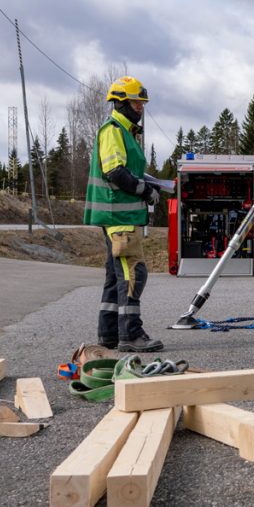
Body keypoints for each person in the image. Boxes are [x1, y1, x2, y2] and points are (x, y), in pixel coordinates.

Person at [84, 76, 163, 353]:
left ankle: (109, 335)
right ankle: (130, 334)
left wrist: (147, 184)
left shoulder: (125, 131)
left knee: (115, 276)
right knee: (133, 274)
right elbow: (115, 172)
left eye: (142, 102)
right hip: (119, 218)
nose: (140, 107)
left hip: (120, 218)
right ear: (120, 102)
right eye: (135, 102)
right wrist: (145, 191)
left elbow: (126, 170)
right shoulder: (113, 130)